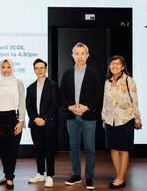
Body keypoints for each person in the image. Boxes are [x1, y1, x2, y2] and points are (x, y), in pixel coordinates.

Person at [59, 42, 103, 190]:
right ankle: (76, 175)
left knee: (90, 147)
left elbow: (98, 96)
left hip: (89, 116)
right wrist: (70, 107)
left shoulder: (95, 74)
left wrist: (87, 107)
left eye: (82, 53)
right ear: (72, 56)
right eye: (76, 54)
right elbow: (62, 95)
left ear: (87, 55)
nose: (79, 56)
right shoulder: (66, 74)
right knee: (74, 147)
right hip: (72, 116)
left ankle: (89, 177)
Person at [102, 56, 142, 189]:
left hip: (125, 119)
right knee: (113, 149)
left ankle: (121, 178)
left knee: (123, 150)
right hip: (110, 120)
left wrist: (137, 119)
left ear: (123, 67)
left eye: (117, 64)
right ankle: (119, 176)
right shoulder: (107, 82)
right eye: (112, 63)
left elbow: (135, 101)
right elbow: (105, 102)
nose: (114, 66)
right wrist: (104, 118)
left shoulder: (128, 81)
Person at [0, 59, 25, 190]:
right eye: (3, 67)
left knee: (13, 150)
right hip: (0, 120)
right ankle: (7, 175)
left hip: (14, 119)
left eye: (8, 67)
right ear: (0, 69)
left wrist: (21, 121)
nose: (6, 70)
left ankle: (9, 178)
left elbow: (22, 103)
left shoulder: (18, 83)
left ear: (12, 68)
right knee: (4, 151)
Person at [26, 59, 58, 188]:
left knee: (49, 149)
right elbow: (28, 106)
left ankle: (49, 175)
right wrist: (35, 119)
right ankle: (40, 173)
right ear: (34, 70)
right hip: (35, 124)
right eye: (37, 68)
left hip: (48, 123)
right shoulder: (30, 87)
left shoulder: (53, 85)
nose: (39, 70)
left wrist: (43, 118)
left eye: (42, 67)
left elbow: (54, 104)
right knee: (38, 149)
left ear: (46, 69)